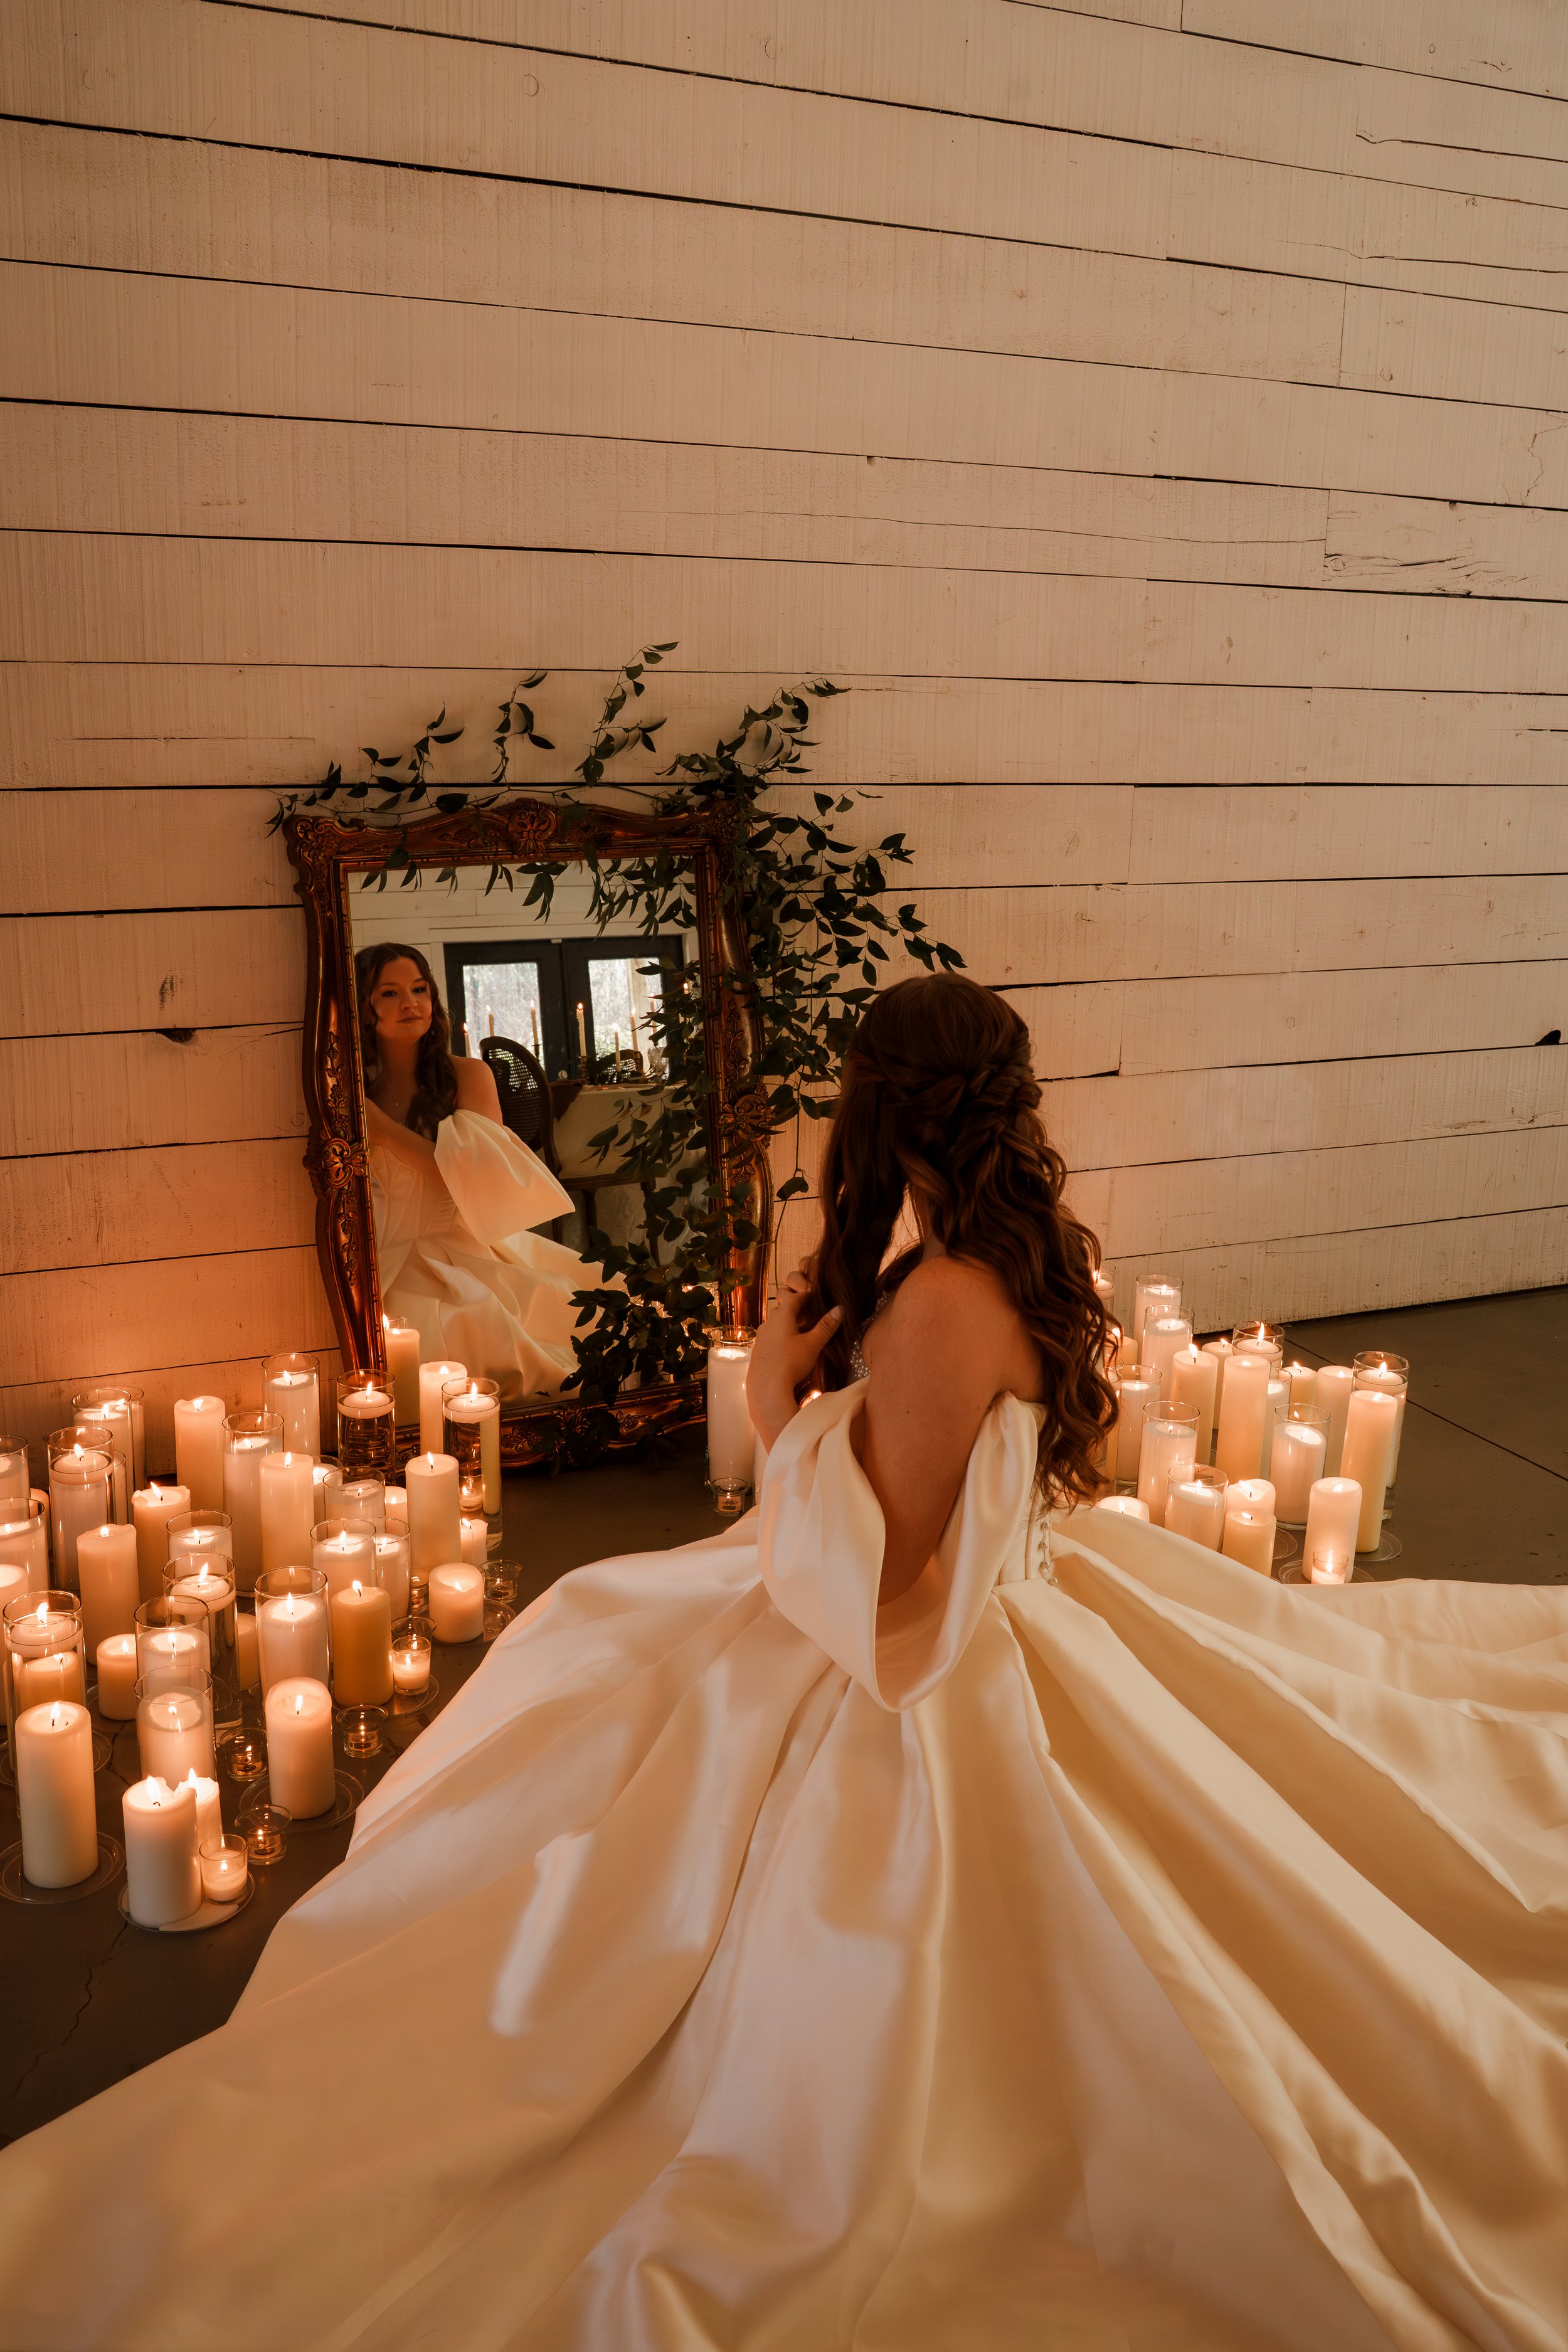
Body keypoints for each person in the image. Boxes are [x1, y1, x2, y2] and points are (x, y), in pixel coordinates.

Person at [1, 975, 1564, 2351]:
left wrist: (774, 1390)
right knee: (608, 1644)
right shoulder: (972, 1258)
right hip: (977, 1573)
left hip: (921, 1657)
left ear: (879, 1103)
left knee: (612, 1716)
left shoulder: (948, 1301)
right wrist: (826, 1372)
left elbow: (871, 1576)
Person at [355, 940, 590, 1402]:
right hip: (387, 1255)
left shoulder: (469, 1076)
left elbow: (470, 1180)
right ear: (365, 1008)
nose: (410, 1003)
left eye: (420, 989)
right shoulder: (360, 1089)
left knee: (493, 1328)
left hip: (464, 1246)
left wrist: (382, 1131)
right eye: (390, 993)